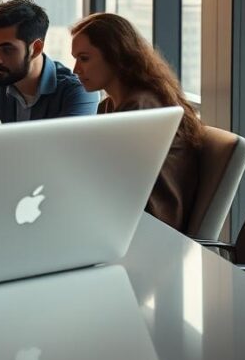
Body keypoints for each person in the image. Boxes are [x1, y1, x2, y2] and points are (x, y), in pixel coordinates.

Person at [70, 12, 203, 231]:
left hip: (149, 225)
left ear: (115, 55)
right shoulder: (109, 106)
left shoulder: (141, 107)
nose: (76, 70)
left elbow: (113, 181)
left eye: (84, 58)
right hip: (125, 217)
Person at [0, 0, 98, 128]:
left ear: (36, 48)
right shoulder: (3, 82)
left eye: (7, 50)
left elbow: (65, 153)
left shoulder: (78, 91)